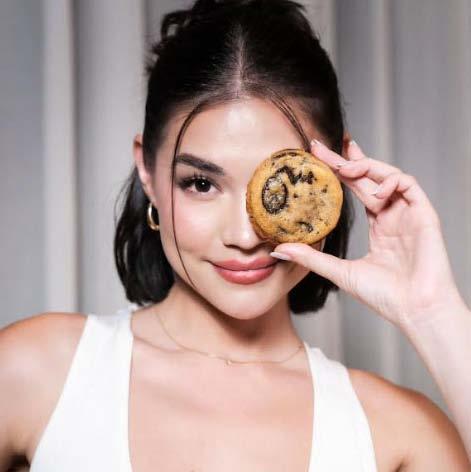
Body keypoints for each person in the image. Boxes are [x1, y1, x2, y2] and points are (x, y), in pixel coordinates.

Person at [1, 0, 470, 470]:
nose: (246, 236)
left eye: (280, 189)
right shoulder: (36, 373)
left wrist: (431, 312)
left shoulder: (401, 435)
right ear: (147, 170)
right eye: (201, 184)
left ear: (339, 172)